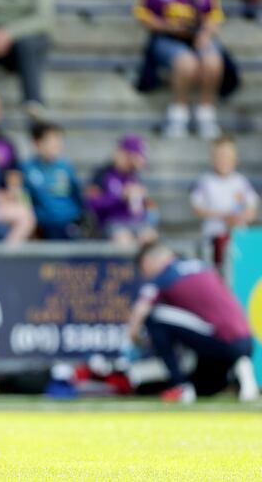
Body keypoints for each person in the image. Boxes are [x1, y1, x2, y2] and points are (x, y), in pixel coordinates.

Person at [128, 241, 259, 402]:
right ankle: (240, 369)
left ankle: (181, 385)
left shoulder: (166, 275)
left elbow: (142, 309)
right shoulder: (200, 266)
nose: (146, 274)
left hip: (220, 340)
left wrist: (133, 335)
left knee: (155, 316)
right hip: (245, 341)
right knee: (203, 387)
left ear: (148, 261)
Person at [134, 0, 228, 139]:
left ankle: (205, 113)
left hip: (197, 36)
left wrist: (205, 33)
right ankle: (179, 113)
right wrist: (166, 26)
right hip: (166, 37)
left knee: (213, 60)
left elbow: (215, 14)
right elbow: (142, 13)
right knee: (186, 62)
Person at [190, 135, 258, 268]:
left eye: (227, 156)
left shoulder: (241, 182)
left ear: (236, 158)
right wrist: (223, 216)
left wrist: (240, 217)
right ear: (212, 159)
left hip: (239, 239)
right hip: (213, 238)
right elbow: (197, 209)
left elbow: (251, 211)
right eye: (219, 156)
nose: (223, 160)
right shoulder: (205, 181)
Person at [86, 134, 158, 246]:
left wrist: (145, 201)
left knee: (150, 237)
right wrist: (120, 197)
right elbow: (92, 204)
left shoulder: (135, 177)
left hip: (136, 223)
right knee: (123, 238)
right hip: (110, 224)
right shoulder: (102, 175)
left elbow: (149, 208)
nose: (135, 163)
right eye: (133, 158)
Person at [22, 122, 85, 240]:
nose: (57, 144)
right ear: (38, 143)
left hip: (69, 222)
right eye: (52, 140)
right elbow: (23, 196)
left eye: (59, 140)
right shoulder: (27, 168)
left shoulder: (66, 167)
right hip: (44, 224)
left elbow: (77, 196)